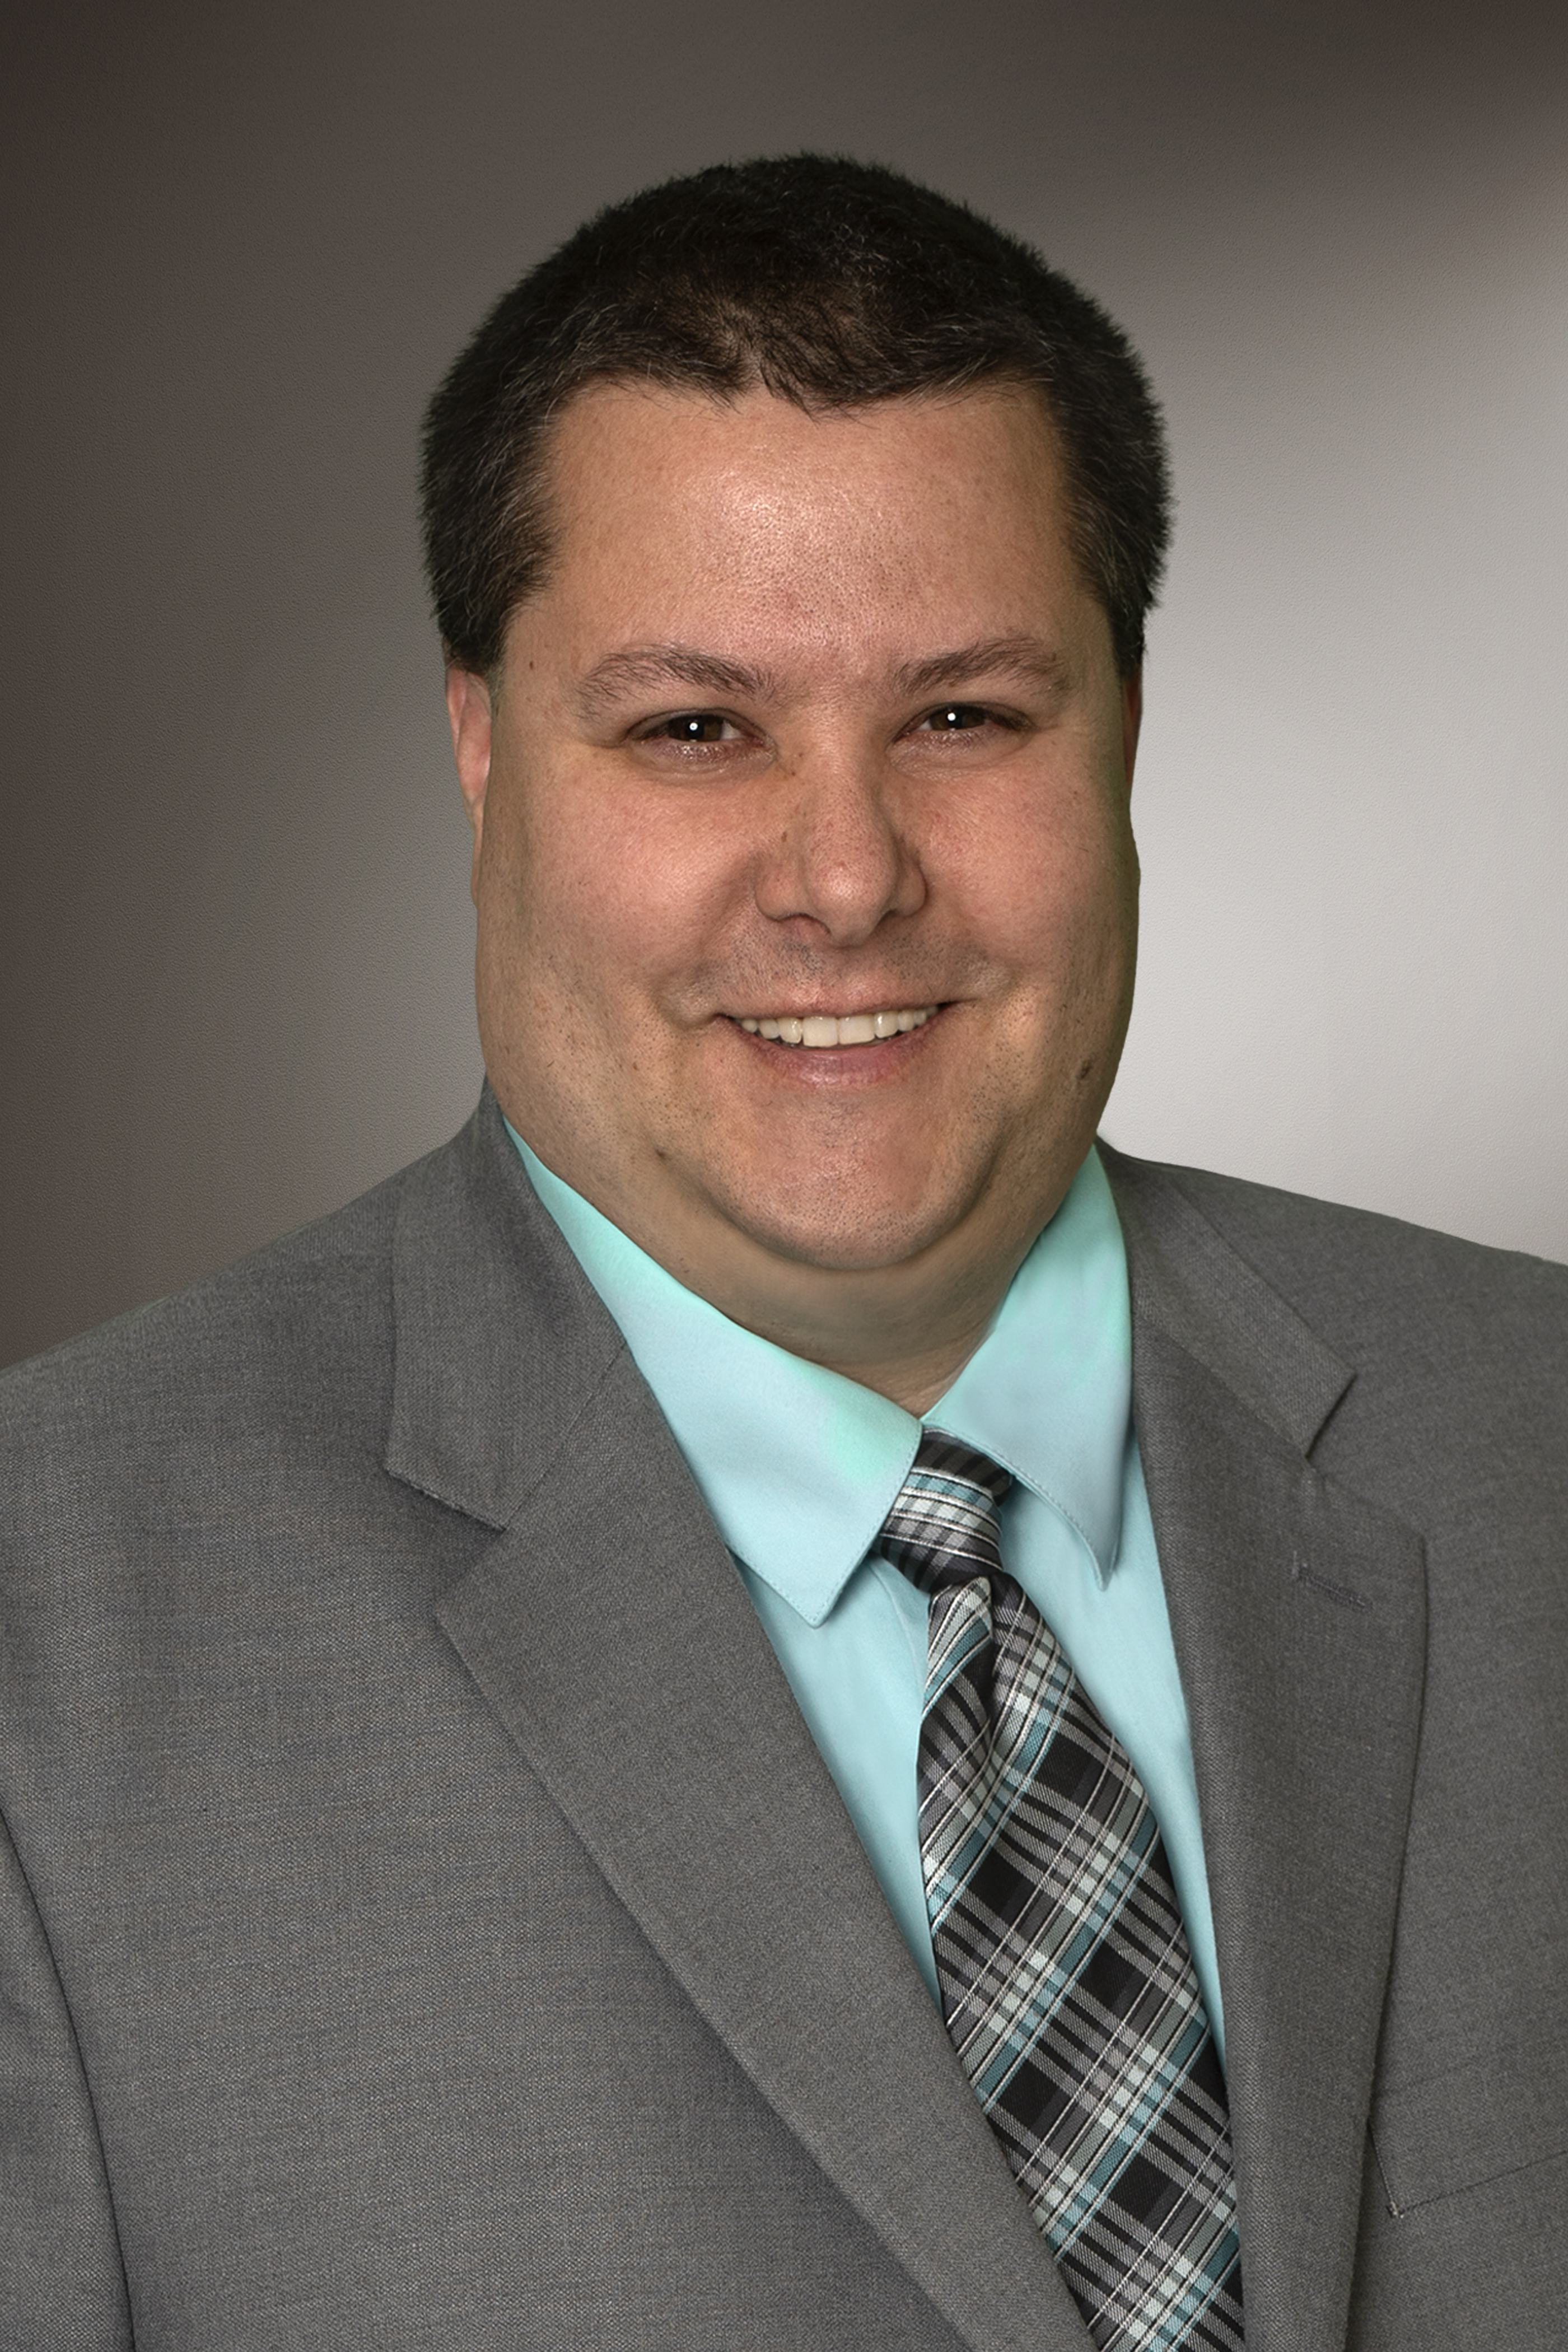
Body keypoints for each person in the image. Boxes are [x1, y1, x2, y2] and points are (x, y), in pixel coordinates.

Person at [2, 155, 1564, 2352]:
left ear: (1126, 730)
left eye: (963, 716)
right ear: (481, 753)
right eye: (693, 729)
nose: (844, 878)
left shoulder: (1533, 1435)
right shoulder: (49, 1644)